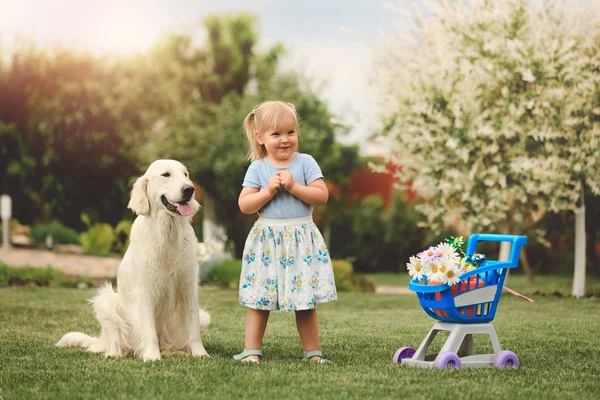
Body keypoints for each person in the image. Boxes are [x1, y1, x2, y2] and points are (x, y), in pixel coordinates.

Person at [233, 100, 337, 363]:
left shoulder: (305, 163)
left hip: (300, 239)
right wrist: (267, 191)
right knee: (260, 299)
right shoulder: (258, 168)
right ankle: (252, 351)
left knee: (305, 302)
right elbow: (245, 204)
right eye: (276, 134)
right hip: (267, 241)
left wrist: (294, 187)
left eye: (290, 132)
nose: (284, 140)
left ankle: (312, 353)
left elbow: (321, 195)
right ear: (260, 138)